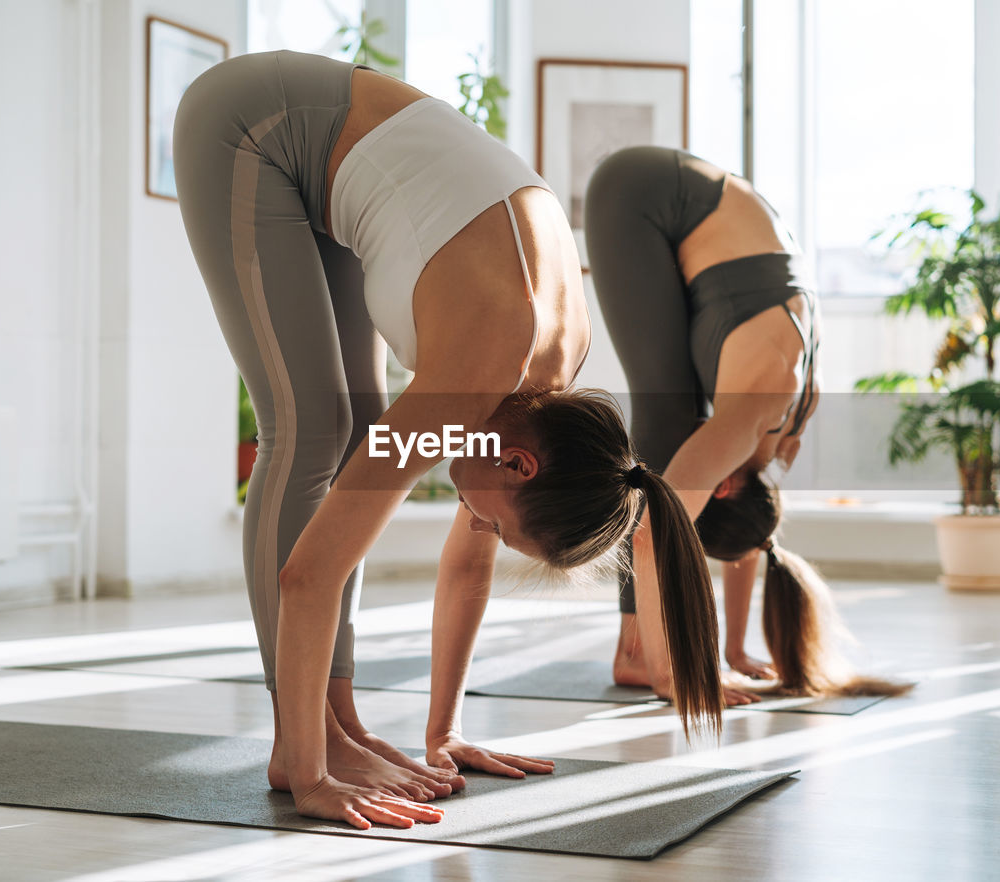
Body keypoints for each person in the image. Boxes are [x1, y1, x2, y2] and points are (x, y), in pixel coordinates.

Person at [173, 53, 724, 831]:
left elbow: (468, 567)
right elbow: (310, 574)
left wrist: (444, 733)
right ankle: (299, 749)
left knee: (358, 436)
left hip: (322, 167)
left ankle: (343, 729)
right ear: (519, 465)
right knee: (310, 431)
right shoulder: (473, 385)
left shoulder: (543, 396)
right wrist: (310, 778)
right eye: (501, 523)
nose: (481, 527)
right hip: (253, 127)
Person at [584, 146, 909, 705]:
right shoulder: (752, 410)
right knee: (666, 425)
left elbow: (751, 541)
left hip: (711, 209)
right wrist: (679, 675)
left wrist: (733, 652)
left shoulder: (776, 442)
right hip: (642, 191)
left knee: (675, 432)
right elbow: (651, 536)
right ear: (725, 485)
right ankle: (639, 657)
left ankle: (648, 651)